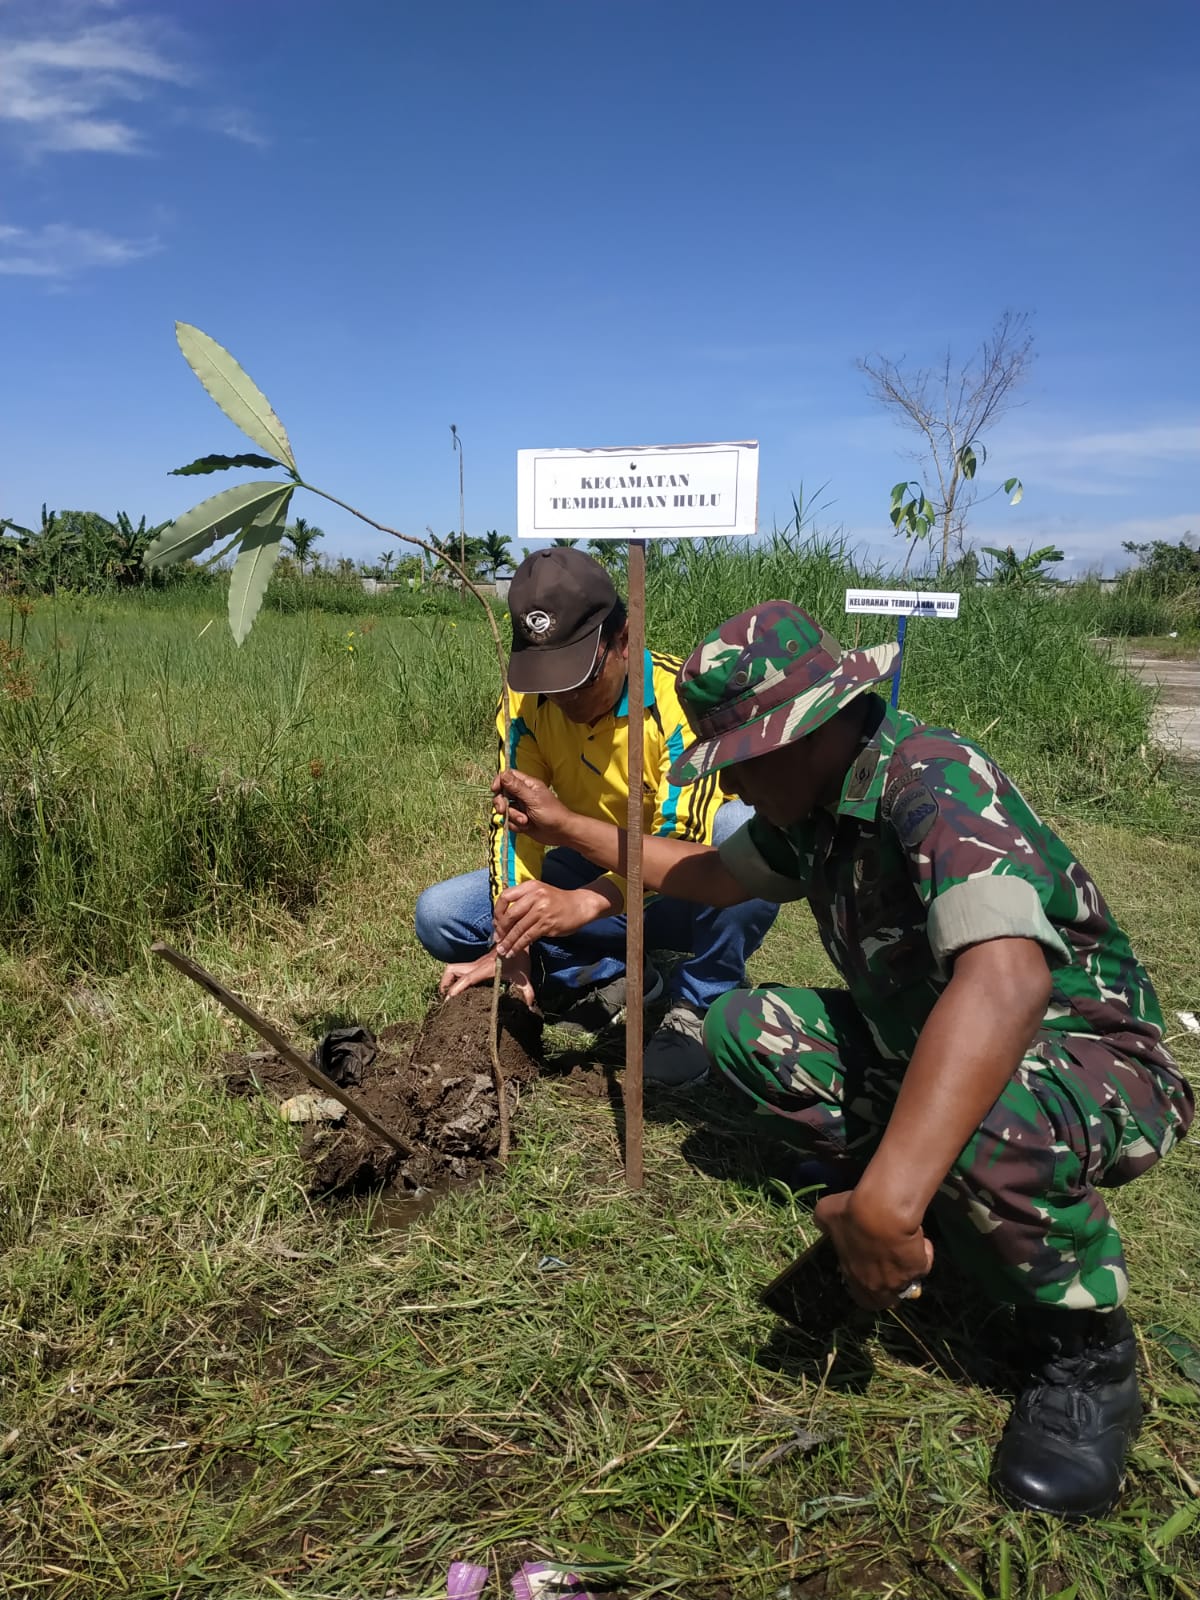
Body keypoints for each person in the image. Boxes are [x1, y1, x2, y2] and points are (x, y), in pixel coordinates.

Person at [490, 599, 1194, 1520]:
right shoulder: (814, 802)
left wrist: (889, 1198)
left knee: (979, 1115)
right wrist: (569, 833)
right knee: (746, 1027)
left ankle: (1086, 1349)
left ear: (805, 729)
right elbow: (705, 873)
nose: (733, 789)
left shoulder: (931, 782)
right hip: (935, 1040)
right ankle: (937, 1190)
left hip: (1090, 1062)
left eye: (739, 764)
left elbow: (1008, 986)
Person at [414, 548, 778, 1084]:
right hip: (587, 867)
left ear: (623, 641)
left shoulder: (679, 703)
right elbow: (514, 825)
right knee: (442, 914)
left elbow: (685, 842)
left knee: (744, 832)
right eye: (547, 678)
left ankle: (699, 1003)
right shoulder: (524, 704)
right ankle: (612, 974)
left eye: (578, 678)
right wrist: (513, 941)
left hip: (690, 891)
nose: (562, 697)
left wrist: (581, 904)